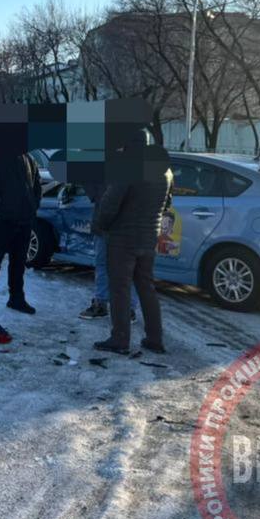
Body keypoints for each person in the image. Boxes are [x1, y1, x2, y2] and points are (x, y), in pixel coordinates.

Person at [91, 128, 172, 355]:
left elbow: (110, 203)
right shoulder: (164, 172)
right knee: (146, 288)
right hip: (148, 239)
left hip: (122, 239)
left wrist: (101, 225)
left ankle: (120, 339)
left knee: (120, 289)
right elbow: (167, 202)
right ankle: (155, 339)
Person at [0, 146, 42, 317]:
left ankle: (16, 298)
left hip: (24, 220)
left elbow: (36, 184)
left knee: (19, 262)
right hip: (2, 221)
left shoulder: (28, 158)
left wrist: (33, 206)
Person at [78, 175, 138, 324]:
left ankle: (128, 309)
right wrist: (99, 196)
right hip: (104, 223)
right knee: (102, 264)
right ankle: (101, 303)